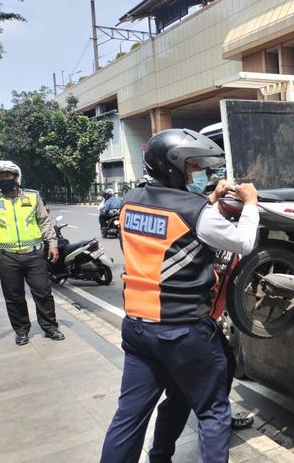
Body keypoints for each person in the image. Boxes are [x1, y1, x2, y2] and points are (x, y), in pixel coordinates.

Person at [100, 129, 259, 463]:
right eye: (192, 167)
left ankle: (159, 457)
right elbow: (243, 242)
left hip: (138, 328)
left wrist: (208, 200)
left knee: (129, 418)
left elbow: (169, 228)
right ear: (172, 167)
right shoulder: (196, 210)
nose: (197, 173)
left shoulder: (130, 200)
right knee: (213, 412)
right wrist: (251, 204)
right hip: (184, 331)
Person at [0, 161, 64, 346]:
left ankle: (50, 327)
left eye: (6, 176)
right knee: (14, 296)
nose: (2, 180)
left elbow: (44, 221)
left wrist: (52, 243)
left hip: (34, 255)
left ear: (15, 177)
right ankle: (21, 330)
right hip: (6, 256)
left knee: (43, 292)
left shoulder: (32, 196)